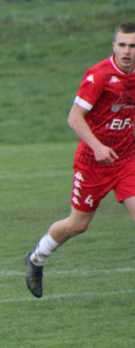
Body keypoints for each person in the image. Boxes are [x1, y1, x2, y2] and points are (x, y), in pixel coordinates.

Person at [25, 23, 135, 298]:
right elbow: (74, 118)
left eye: (132, 46)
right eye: (122, 45)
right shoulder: (99, 76)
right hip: (92, 163)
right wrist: (97, 146)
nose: (127, 51)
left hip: (127, 160)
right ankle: (36, 259)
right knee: (78, 225)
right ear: (113, 46)